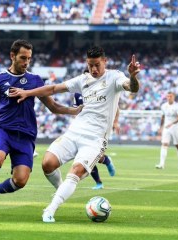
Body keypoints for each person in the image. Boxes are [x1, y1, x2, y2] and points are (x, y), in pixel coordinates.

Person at [9, 46, 140, 222]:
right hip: (75, 132)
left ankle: (50, 209)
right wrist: (27, 93)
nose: (94, 69)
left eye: (97, 65)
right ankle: (61, 189)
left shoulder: (114, 77)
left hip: (95, 139)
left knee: (76, 171)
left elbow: (131, 88)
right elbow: (54, 88)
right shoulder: (83, 79)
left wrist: (132, 76)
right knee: (47, 163)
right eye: (90, 65)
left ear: (105, 62)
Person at [0, 39, 82, 220]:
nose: (26, 62)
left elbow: (52, 106)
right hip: (3, 129)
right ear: (12, 56)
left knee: (20, 180)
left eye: (29, 59)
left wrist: (74, 110)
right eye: (23, 58)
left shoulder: (35, 80)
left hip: (26, 135)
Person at [74, 93, 117, 190]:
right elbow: (76, 111)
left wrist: (116, 122)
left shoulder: (100, 89)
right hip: (83, 128)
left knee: (94, 155)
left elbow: (115, 107)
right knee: (86, 157)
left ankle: (106, 160)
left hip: (99, 127)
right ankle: (99, 183)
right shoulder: (77, 93)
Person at [155, 92, 178, 170]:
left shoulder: (177, 106)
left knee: (177, 145)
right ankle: (161, 164)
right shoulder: (164, 106)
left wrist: (172, 124)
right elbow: (163, 117)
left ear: (173, 97)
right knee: (164, 144)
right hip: (166, 128)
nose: (169, 98)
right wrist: (161, 127)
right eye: (168, 96)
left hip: (175, 127)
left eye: (170, 96)